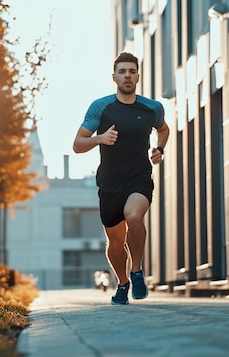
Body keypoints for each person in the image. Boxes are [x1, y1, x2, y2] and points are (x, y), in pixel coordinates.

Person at [73, 52, 169, 305]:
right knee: (115, 243)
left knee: (134, 216)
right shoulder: (101, 107)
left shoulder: (152, 108)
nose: (127, 75)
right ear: (114, 77)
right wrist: (99, 139)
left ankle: (136, 271)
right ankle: (122, 284)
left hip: (139, 178)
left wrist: (160, 150)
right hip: (109, 182)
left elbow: (164, 129)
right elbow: (77, 144)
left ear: (137, 75)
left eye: (132, 71)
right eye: (122, 71)